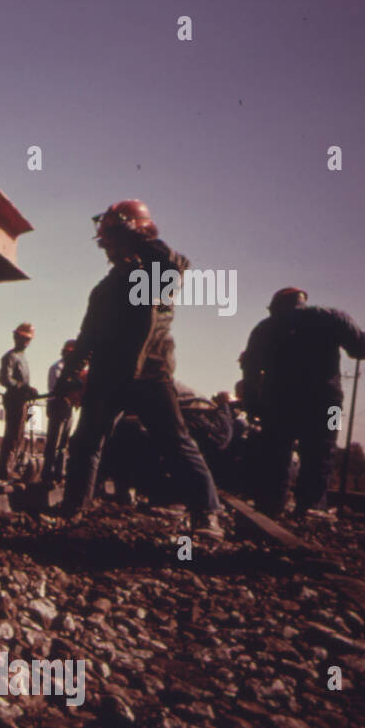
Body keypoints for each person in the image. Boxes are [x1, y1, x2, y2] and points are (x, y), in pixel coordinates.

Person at [58, 199, 224, 539]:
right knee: (85, 443)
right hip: (108, 376)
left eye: (113, 238)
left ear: (135, 234)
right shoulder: (104, 289)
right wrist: (70, 373)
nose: (108, 248)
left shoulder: (156, 275)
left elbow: (173, 263)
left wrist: (136, 235)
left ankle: (206, 515)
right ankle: (74, 509)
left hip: (151, 373)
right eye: (106, 241)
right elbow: (87, 336)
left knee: (175, 442)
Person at [240, 287, 365, 516]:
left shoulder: (264, 328)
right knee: (323, 452)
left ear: (275, 306)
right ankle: (312, 508)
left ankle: (270, 506)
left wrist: (253, 405)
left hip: (278, 401)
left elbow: (250, 371)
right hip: (329, 402)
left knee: (275, 452)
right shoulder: (333, 317)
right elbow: (362, 349)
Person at [0, 323, 37, 480]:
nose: (26, 342)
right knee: (13, 436)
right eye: (23, 338)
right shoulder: (10, 357)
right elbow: (5, 379)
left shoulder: (23, 358)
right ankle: (4, 471)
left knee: (19, 436)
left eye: (28, 339)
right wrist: (24, 387)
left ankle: (9, 469)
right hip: (14, 401)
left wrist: (29, 391)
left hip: (23, 402)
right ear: (16, 337)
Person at [43, 340, 82, 482]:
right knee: (54, 441)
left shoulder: (72, 370)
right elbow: (58, 389)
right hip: (57, 405)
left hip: (68, 407)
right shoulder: (57, 368)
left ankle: (59, 473)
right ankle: (48, 473)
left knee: (63, 443)